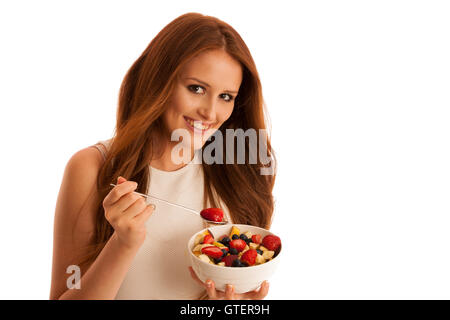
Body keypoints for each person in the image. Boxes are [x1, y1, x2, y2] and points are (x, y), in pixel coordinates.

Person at [50, 12, 276, 300]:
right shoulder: (92, 168)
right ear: (159, 80)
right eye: (196, 88)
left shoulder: (237, 174)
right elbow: (65, 293)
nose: (210, 112)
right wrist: (123, 244)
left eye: (226, 96)